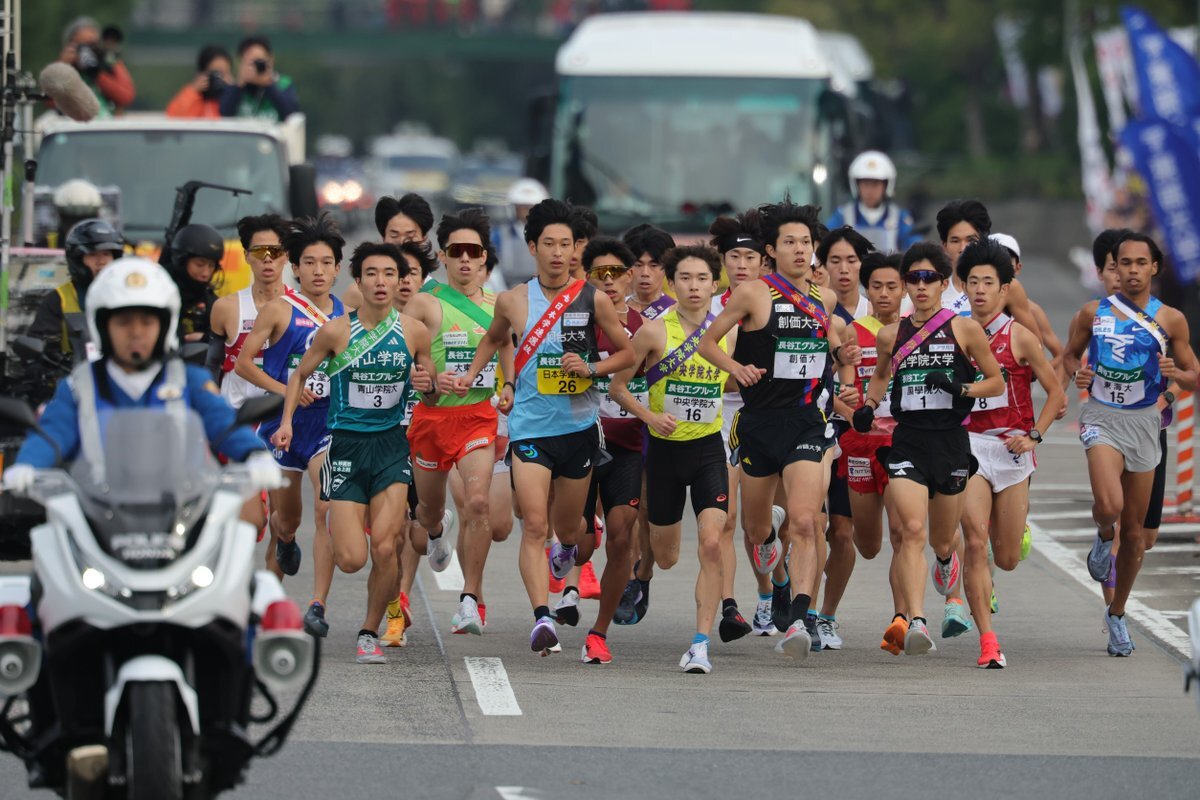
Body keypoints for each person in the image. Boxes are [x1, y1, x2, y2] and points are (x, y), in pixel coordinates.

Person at [455, 198, 634, 654]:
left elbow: (628, 353)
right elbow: (495, 339)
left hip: (578, 429)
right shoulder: (513, 299)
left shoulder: (592, 297)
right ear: (532, 246)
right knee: (533, 525)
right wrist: (473, 377)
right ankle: (541, 617)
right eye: (548, 244)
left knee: (568, 530)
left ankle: (566, 552)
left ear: (576, 249)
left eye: (566, 245)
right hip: (530, 430)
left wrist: (593, 369)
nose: (558, 253)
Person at [698, 199, 859, 660]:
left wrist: (843, 364)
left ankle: (801, 617)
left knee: (807, 520)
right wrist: (737, 368)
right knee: (754, 530)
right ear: (772, 250)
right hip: (758, 425)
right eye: (789, 242)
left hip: (807, 422)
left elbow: (833, 344)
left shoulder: (824, 298)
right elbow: (708, 343)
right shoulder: (752, 294)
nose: (800, 250)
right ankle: (780, 580)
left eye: (806, 243)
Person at [277, 241, 434, 664]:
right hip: (345, 447)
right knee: (351, 559)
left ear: (400, 281)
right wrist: (288, 421)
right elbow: (299, 374)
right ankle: (343, 536)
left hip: (390, 448)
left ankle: (369, 630)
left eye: (389, 274)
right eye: (371, 274)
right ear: (358, 280)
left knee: (386, 548)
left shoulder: (414, 331)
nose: (380, 282)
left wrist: (428, 387)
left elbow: (430, 389)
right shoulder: (336, 331)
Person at [5, 258, 278, 492]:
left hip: (180, 511)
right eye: (124, 322)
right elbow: (52, 434)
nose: (136, 332)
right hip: (98, 514)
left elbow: (223, 423)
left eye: (146, 322)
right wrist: (29, 464)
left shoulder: (189, 380)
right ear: (102, 326)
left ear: (165, 326)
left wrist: (253, 453)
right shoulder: (80, 385)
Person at [854, 242, 1004, 655]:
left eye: (929, 279)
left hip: (951, 442)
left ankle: (944, 563)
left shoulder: (964, 328)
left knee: (942, 539)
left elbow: (996, 382)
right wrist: (869, 406)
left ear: (943, 283)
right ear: (905, 286)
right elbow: (881, 377)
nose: (920, 287)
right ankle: (916, 619)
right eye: (913, 279)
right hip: (908, 440)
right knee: (911, 531)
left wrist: (960, 388)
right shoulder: (890, 335)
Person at [1063, 232, 1198, 656]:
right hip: (1102, 418)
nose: (1133, 270)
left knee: (1137, 536)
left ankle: (1117, 615)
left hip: (1144, 422)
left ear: (1154, 268)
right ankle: (1104, 537)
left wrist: (1174, 377)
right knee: (1110, 506)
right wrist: (1077, 377)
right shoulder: (1091, 313)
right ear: (1113, 268)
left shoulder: (1171, 319)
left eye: (1142, 263)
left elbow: (1194, 374)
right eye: (1125, 263)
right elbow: (1069, 356)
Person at [612, 245, 732, 673]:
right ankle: (643, 575)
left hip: (708, 450)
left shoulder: (728, 330)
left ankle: (700, 643)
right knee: (666, 556)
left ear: (714, 285)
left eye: (702, 278)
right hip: (664, 452)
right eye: (685, 278)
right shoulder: (652, 332)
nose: (694, 286)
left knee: (712, 543)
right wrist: (648, 415)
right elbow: (618, 388)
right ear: (671, 283)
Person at [404, 209, 514, 636]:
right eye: (457, 252)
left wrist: (510, 385)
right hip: (432, 418)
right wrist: (430, 379)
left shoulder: (500, 305)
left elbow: (505, 345)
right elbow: (413, 361)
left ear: (485, 257)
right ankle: (437, 530)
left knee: (479, 502)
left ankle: (470, 598)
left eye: (474, 252)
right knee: (427, 511)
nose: (466, 260)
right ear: (442, 256)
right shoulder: (424, 302)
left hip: (477, 417)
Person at [956, 239, 1064, 668]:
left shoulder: (1020, 336)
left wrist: (1034, 435)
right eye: (973, 282)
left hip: (1012, 448)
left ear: (1004, 290)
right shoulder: (953, 331)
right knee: (975, 542)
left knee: (1005, 557)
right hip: (969, 449)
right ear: (963, 287)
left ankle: (1016, 534)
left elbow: (1056, 394)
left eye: (989, 283)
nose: (980, 290)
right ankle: (987, 640)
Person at [235, 214, 345, 635]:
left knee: (326, 506)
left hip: (328, 428)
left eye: (326, 263)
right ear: (295, 268)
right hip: (284, 429)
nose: (318, 271)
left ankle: (317, 606)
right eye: (309, 263)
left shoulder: (348, 316)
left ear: (337, 268)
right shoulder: (280, 310)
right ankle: (280, 551)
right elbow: (245, 364)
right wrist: (288, 391)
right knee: (285, 521)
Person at [575, 236, 645, 663]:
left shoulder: (648, 327)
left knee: (622, 535)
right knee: (579, 544)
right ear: (586, 279)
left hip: (629, 446)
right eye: (599, 273)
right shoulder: (571, 322)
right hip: (579, 441)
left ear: (631, 275)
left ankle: (598, 633)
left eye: (616, 272)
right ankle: (570, 554)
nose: (609, 281)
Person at [836, 252, 908, 653]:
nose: (884, 294)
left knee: (904, 534)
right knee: (868, 545)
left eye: (892, 286)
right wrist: (854, 411)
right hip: (862, 444)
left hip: (903, 444)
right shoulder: (852, 333)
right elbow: (844, 393)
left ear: (905, 289)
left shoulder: (918, 330)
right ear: (867, 289)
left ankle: (902, 620)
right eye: (876, 286)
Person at [27, 219, 124, 378]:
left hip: (123, 378)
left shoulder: (129, 296)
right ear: (78, 260)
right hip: (73, 381)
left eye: (107, 254)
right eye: (93, 255)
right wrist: (49, 364)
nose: (101, 262)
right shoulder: (59, 299)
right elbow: (39, 344)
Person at [343, 193, 436, 310]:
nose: (402, 242)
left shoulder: (437, 295)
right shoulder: (359, 294)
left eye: (411, 236)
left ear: (424, 238)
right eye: (394, 235)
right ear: (383, 237)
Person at [826, 151, 920, 253]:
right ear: (856, 185)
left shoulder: (900, 218)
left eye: (875, 184)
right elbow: (825, 244)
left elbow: (915, 248)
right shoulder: (842, 216)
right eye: (865, 184)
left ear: (886, 186)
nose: (870, 190)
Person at [58, 16, 135, 117]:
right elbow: (49, 101)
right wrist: (62, 67)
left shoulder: (109, 63)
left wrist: (98, 74)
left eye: (92, 45)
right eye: (82, 47)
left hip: (105, 125)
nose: (87, 53)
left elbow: (126, 97)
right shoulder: (65, 64)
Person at [166, 223, 224, 344]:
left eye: (211, 265)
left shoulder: (211, 301)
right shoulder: (161, 296)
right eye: (199, 264)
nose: (206, 273)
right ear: (181, 261)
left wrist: (204, 338)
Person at [219, 36, 300, 121]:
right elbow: (224, 115)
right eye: (250, 63)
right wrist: (238, 86)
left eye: (259, 62)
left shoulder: (283, 84)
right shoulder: (234, 88)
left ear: (271, 59)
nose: (255, 68)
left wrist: (269, 85)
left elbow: (292, 116)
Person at [494, 178, 548, 283]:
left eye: (531, 207)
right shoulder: (499, 235)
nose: (527, 211)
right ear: (513, 208)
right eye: (522, 206)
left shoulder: (550, 235)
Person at [623, 224, 677, 319]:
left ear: (667, 267)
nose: (645, 273)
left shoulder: (678, 312)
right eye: (638, 265)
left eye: (654, 265)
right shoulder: (613, 310)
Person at [166, 44, 234, 119]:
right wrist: (193, 90)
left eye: (225, 73)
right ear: (203, 74)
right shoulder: (197, 101)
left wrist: (234, 90)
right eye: (216, 74)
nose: (221, 79)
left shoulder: (234, 98)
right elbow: (173, 116)